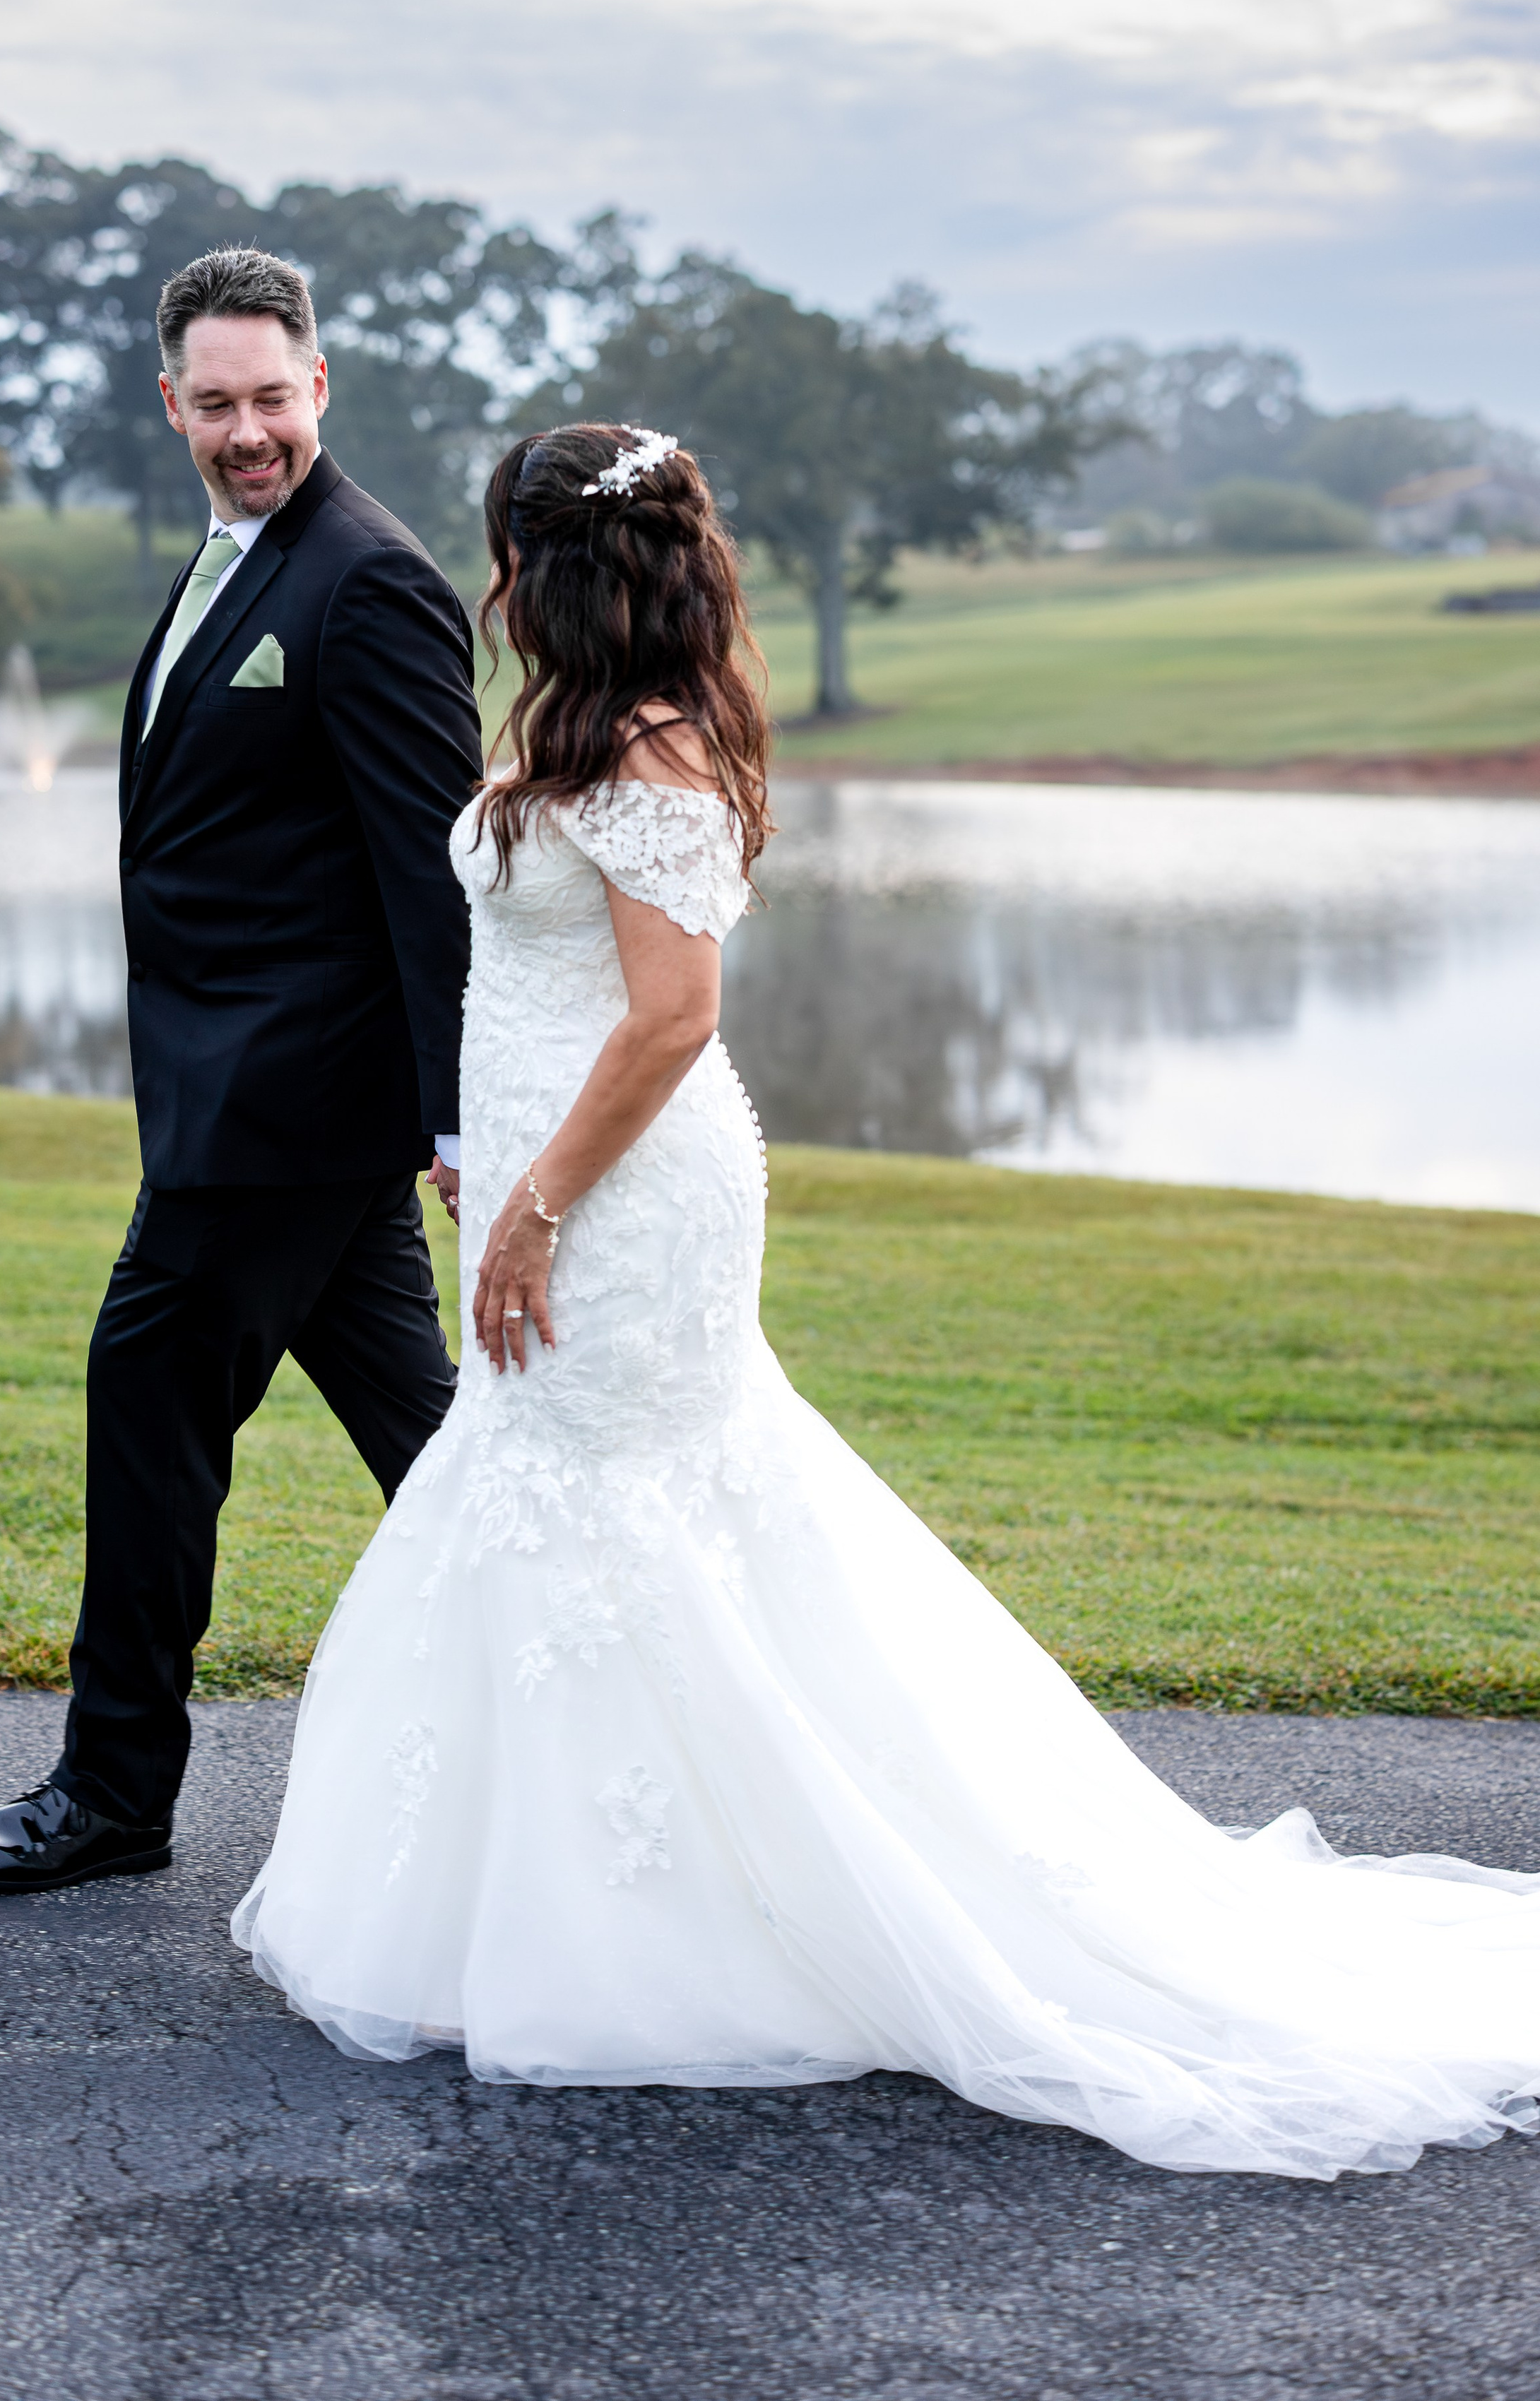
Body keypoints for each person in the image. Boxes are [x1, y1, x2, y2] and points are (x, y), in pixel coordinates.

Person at [233, 421, 1540, 2181]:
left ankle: (730, 1920)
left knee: (616, 1513)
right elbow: (546, 984)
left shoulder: (650, 748)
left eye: (507, 553)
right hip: (554, 1179)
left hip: (625, 1203)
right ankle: (577, 1894)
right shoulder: (568, 728)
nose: (494, 584)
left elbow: (671, 1017)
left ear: (549, 566)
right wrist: (488, 1143)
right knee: (572, 1506)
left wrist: (541, 1198)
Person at [0, 249, 481, 1892]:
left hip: (287, 1110)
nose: (247, 432)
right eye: (215, 404)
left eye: (273, 400)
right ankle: (617, 1718)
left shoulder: (364, 580)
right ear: (172, 403)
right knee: (445, 1449)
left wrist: (459, 1116)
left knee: (145, 1394)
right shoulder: (235, 560)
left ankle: (112, 1790)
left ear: (322, 388)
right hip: (269, 1101)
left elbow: (429, 874)